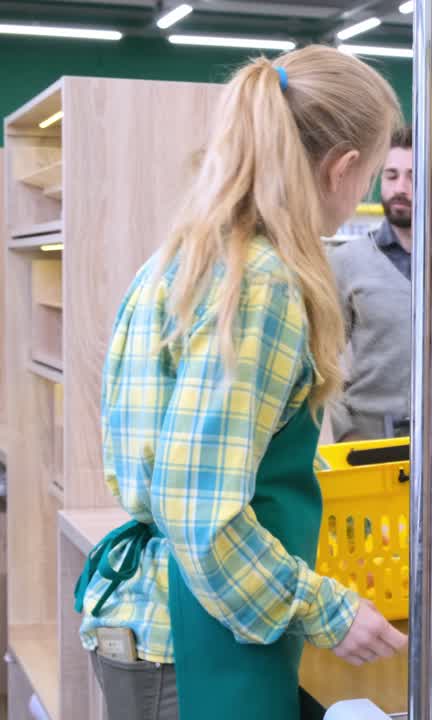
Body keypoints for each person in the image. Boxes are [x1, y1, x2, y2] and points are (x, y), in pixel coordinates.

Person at [73, 47, 407, 720]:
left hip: (156, 620)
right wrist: (330, 610)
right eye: (367, 177)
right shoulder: (261, 287)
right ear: (340, 167)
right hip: (195, 643)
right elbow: (204, 518)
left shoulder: (180, 259)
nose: (361, 198)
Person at [330, 131, 432, 439]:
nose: (400, 188)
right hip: (367, 438)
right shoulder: (344, 263)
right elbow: (321, 357)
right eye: (391, 176)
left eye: (414, 177)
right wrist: (343, 427)